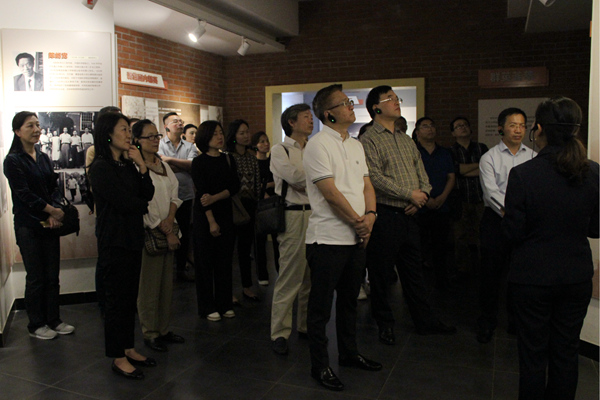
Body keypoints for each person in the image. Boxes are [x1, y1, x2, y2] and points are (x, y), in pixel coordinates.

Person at [503, 97, 599, 400]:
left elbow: (513, 233)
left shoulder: (524, 174)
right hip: (576, 275)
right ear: (575, 130)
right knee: (566, 352)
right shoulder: (594, 172)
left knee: (532, 354)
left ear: (539, 128)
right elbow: (596, 229)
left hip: (532, 277)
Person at [360, 86, 456, 347]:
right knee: (381, 274)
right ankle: (384, 324)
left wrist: (422, 194)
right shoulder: (368, 139)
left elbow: (421, 171)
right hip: (386, 215)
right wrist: (409, 195)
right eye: (390, 98)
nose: (396, 102)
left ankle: (425, 321)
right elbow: (374, 178)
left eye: (396, 98)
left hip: (411, 215)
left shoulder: (405, 139)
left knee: (414, 272)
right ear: (376, 108)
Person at [304, 84, 381, 392]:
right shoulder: (318, 145)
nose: (351, 106)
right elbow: (330, 193)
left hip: (356, 237)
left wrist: (370, 216)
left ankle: (349, 353)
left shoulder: (355, 144)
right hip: (327, 239)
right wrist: (359, 223)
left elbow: (366, 185)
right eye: (345, 103)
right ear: (329, 114)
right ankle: (319, 365)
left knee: (350, 302)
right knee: (320, 308)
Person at [88, 112, 156, 380]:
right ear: (108, 134)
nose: (129, 134)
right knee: (116, 301)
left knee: (129, 298)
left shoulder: (127, 164)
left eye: (129, 130)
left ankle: (128, 347)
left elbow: (147, 193)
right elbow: (125, 202)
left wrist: (141, 166)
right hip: (113, 240)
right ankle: (117, 356)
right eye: (124, 129)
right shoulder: (100, 167)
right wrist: (140, 204)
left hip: (132, 237)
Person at [3, 111, 75, 340]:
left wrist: (54, 211)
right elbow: (23, 195)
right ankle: (36, 324)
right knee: (36, 277)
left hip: (48, 222)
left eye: (37, 125)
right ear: (17, 131)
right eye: (30, 126)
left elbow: (52, 187)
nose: (36, 130)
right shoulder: (12, 160)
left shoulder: (43, 157)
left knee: (52, 276)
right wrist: (50, 211)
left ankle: (54, 319)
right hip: (28, 225)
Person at [477, 107, 536, 344]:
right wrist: (515, 212)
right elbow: (491, 193)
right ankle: (487, 321)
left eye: (522, 125)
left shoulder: (533, 156)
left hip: (524, 223)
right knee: (491, 275)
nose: (518, 130)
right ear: (501, 128)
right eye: (513, 125)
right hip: (496, 221)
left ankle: (516, 321)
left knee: (519, 274)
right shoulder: (489, 157)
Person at [131, 120, 185, 352]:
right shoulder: (135, 168)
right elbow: (144, 203)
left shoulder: (163, 165)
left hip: (168, 228)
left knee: (166, 285)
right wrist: (164, 228)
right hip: (150, 232)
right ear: (137, 141)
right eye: (149, 136)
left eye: (156, 136)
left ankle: (163, 329)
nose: (155, 140)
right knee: (149, 287)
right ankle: (150, 332)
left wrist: (170, 220)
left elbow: (175, 194)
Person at [269, 104, 313, 355]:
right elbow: (295, 178)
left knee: (311, 276)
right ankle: (280, 332)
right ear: (292, 122)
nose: (311, 121)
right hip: (293, 214)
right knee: (290, 274)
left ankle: (305, 325)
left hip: (317, 215)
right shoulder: (280, 150)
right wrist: (319, 181)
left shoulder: (314, 148)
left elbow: (311, 179)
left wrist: (312, 182)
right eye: (306, 117)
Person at [192, 121, 240, 321]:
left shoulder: (228, 159)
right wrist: (211, 221)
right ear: (205, 137)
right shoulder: (199, 162)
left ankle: (224, 303)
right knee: (205, 262)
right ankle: (207, 306)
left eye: (221, 133)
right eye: (214, 134)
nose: (219, 137)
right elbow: (202, 194)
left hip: (225, 213)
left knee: (224, 260)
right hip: (205, 216)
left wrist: (216, 197)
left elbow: (234, 186)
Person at [414, 117, 456, 290]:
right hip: (419, 208)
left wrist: (442, 197)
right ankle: (420, 286)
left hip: (442, 206)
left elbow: (451, 177)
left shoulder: (445, 152)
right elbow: (411, 179)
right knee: (420, 248)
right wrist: (426, 199)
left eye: (432, 126)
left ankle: (442, 282)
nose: (430, 129)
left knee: (441, 247)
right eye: (425, 126)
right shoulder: (413, 152)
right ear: (417, 132)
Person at [158, 112, 199, 282]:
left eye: (181, 121)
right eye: (175, 121)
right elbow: (160, 166)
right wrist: (181, 166)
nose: (180, 123)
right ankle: (167, 270)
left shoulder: (189, 146)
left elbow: (192, 165)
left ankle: (181, 269)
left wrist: (169, 160)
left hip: (185, 195)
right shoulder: (160, 144)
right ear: (166, 126)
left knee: (184, 232)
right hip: (165, 197)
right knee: (166, 231)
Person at [225, 119, 261, 301]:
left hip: (250, 205)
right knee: (229, 250)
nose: (246, 136)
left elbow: (256, 183)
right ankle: (228, 290)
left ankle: (247, 286)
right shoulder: (227, 157)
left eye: (247, 132)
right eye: (242, 133)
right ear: (234, 136)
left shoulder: (252, 157)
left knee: (245, 249)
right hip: (232, 205)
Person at [449, 117, 488, 273]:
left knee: (482, 234)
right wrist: (478, 166)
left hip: (480, 198)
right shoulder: (450, 151)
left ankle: (484, 268)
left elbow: (487, 170)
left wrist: (465, 170)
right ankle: (463, 269)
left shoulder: (481, 148)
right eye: (458, 126)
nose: (463, 127)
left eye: (465, 125)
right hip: (461, 199)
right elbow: (456, 170)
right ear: (453, 133)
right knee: (460, 237)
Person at [251, 130, 279, 284]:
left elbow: (279, 180)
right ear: (255, 145)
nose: (266, 144)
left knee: (277, 240)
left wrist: (265, 186)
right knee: (259, 241)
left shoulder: (273, 162)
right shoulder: (253, 163)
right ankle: (262, 275)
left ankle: (280, 271)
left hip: (274, 202)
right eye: (261, 141)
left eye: (266, 141)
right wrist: (263, 189)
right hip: (259, 204)